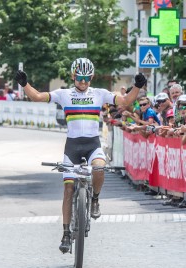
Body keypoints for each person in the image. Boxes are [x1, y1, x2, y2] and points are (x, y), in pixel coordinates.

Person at [15, 57, 146, 253]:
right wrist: (24, 84)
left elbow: (126, 100)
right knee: (68, 190)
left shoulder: (100, 94)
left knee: (100, 167)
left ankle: (94, 199)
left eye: (86, 78)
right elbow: (37, 97)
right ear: (72, 76)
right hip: (72, 147)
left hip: (92, 144)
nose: (83, 82)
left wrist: (137, 86)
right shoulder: (64, 94)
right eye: (79, 78)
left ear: (91, 77)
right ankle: (66, 233)